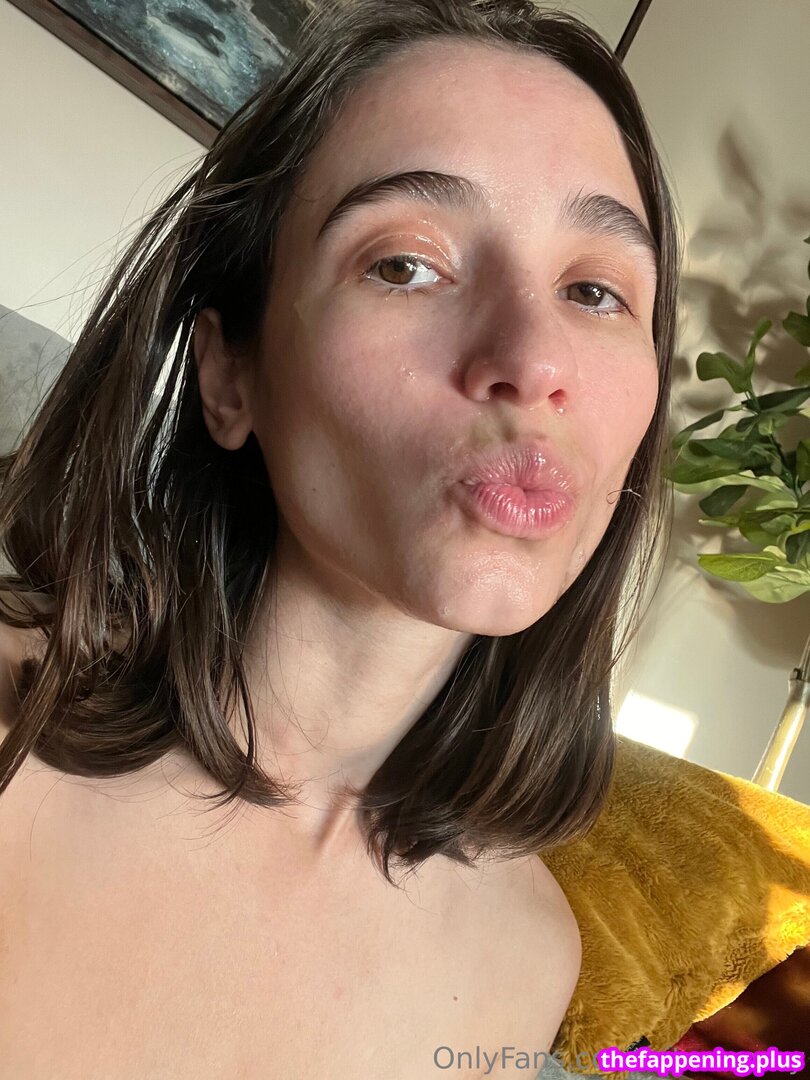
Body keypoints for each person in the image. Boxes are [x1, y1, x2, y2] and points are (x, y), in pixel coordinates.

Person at [0, 0, 681, 1075]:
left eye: (595, 291)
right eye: (406, 264)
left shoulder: (528, 963)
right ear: (231, 373)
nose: (534, 359)